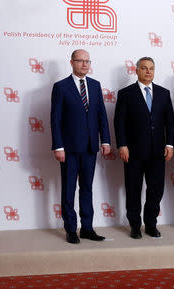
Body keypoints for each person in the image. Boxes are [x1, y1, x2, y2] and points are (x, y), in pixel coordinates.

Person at [50, 49, 111, 244]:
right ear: (72, 62)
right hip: (68, 149)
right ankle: (70, 229)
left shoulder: (95, 85)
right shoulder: (60, 87)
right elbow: (55, 119)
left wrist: (106, 140)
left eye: (87, 61)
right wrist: (58, 146)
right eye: (80, 61)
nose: (84, 64)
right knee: (69, 189)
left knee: (87, 188)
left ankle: (87, 228)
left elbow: (101, 115)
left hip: (90, 148)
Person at [114, 57, 174, 239]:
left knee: (156, 189)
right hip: (133, 151)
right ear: (137, 70)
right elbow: (119, 122)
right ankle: (134, 225)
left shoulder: (164, 93)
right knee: (133, 188)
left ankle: (151, 224)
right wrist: (122, 145)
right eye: (144, 68)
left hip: (158, 152)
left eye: (151, 68)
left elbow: (170, 122)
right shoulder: (126, 93)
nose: (148, 71)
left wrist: (170, 144)